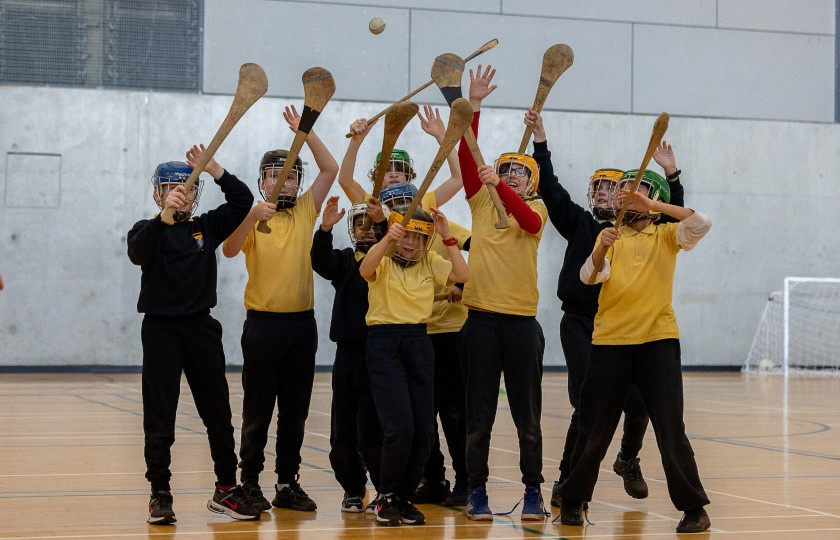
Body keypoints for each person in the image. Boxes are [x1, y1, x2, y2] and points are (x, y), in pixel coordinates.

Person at [523, 110, 687, 506]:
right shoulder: (580, 224)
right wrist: (540, 140)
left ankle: (628, 457)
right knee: (587, 405)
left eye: (611, 188)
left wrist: (672, 177)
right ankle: (567, 482)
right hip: (582, 324)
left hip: (627, 327)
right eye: (597, 187)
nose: (602, 193)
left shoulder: (642, 231)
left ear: (629, 196)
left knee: (643, 401)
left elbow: (675, 223)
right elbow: (552, 189)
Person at [558, 171, 712, 534]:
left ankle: (694, 509)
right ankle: (573, 500)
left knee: (671, 428)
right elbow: (588, 277)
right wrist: (600, 248)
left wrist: (654, 205)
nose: (626, 195)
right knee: (594, 427)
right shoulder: (609, 236)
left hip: (658, 341)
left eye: (636, 190)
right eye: (624, 191)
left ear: (652, 197)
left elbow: (702, 222)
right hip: (611, 342)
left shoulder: (667, 235)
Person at [126, 146, 259, 524]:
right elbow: (139, 253)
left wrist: (217, 169)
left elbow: (243, 201)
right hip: (160, 331)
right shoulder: (145, 229)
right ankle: (160, 492)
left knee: (217, 412)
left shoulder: (206, 227)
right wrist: (164, 216)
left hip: (201, 328)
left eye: (184, 188)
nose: (178, 194)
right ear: (157, 193)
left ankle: (226, 488)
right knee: (160, 415)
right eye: (169, 188)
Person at [221, 105, 339, 513]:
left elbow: (331, 168)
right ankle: (249, 481)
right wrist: (252, 216)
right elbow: (230, 249)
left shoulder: (306, 210)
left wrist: (305, 131)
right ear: (263, 180)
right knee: (257, 409)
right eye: (276, 174)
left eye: (290, 174)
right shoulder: (255, 216)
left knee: (295, 410)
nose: (284, 180)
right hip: (263, 327)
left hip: (301, 326)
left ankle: (287, 482)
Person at [456, 65, 550, 522]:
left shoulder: (536, 208)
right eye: (505, 171)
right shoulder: (478, 200)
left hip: (521, 326)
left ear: (530, 182)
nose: (511, 176)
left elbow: (528, 225)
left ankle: (534, 491)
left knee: (527, 420)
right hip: (480, 323)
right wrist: (474, 106)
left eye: (519, 173)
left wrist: (502, 189)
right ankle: (477, 491)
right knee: (480, 420)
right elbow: (467, 157)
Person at [360, 206, 469, 526]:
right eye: (406, 234)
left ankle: (405, 496)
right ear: (395, 234)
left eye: (419, 237)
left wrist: (448, 236)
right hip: (384, 343)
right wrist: (385, 239)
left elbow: (462, 276)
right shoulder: (382, 260)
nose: (411, 242)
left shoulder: (431, 262)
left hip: (419, 343)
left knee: (423, 430)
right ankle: (387, 495)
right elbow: (365, 270)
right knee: (400, 426)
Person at [311, 195, 387, 513]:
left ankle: (386, 488)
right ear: (352, 229)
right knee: (342, 434)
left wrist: (383, 223)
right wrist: (324, 229)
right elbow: (320, 262)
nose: (366, 229)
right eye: (360, 223)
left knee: (373, 430)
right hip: (347, 356)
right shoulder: (343, 260)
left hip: (379, 354)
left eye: (371, 224)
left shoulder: (391, 260)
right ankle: (353, 488)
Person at [341, 105, 462, 209]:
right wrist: (356, 141)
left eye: (400, 169)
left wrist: (443, 138)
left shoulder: (423, 200)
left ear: (408, 175)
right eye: (386, 170)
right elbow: (345, 181)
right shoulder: (369, 203)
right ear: (376, 176)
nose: (393, 174)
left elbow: (459, 178)